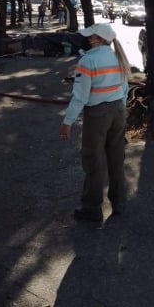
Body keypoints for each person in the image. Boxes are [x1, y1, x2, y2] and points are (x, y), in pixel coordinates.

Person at [59, 23, 130, 222]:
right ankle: (119, 203)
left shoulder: (88, 61)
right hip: (118, 111)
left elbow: (80, 97)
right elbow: (124, 88)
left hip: (97, 115)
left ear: (99, 39)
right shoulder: (119, 57)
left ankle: (92, 208)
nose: (89, 39)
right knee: (116, 159)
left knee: (93, 159)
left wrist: (67, 122)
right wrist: (121, 108)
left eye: (91, 37)